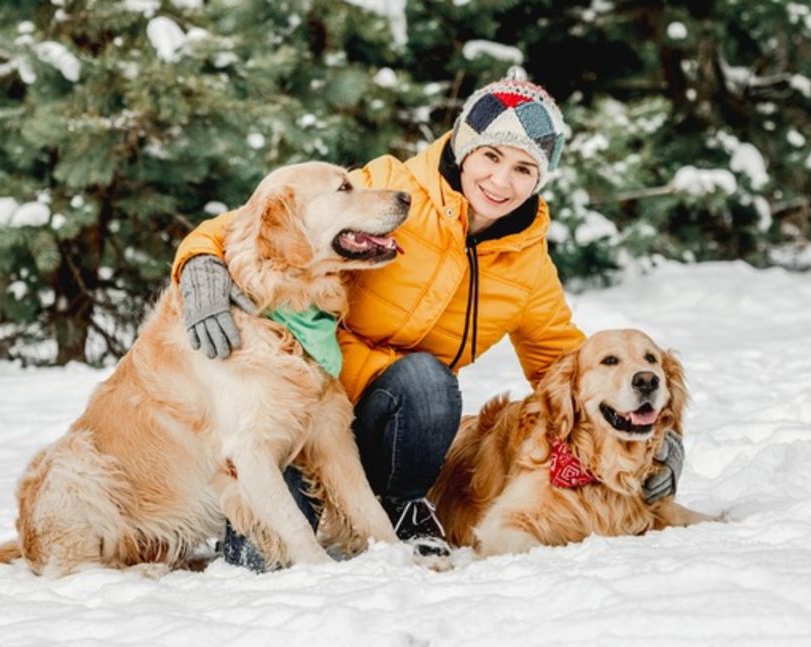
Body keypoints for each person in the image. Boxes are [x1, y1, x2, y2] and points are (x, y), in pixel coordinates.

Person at [172, 71, 685, 568]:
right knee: (264, 559)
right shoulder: (392, 188)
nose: (501, 181)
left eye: (524, 169)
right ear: (464, 147)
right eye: (490, 156)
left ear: (539, 179)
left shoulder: (527, 263)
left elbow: (567, 367)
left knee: (427, 380)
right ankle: (248, 508)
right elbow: (254, 216)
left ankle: (401, 504)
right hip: (299, 401)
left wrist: (657, 432)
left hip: (397, 422)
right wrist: (199, 260)